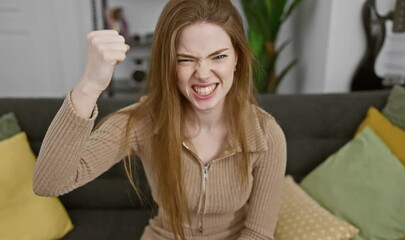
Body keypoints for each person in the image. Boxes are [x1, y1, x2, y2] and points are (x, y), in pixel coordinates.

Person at [33, 0, 287, 239]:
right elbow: (49, 183)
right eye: (185, 60)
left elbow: (258, 233)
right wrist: (90, 84)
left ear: (237, 59)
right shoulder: (143, 122)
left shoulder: (266, 134)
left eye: (218, 56)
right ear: (168, 64)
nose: (203, 74)